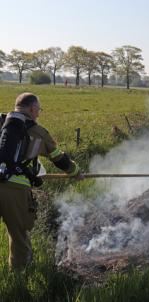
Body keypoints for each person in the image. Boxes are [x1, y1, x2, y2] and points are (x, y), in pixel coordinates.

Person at [0, 92, 81, 270]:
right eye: (38, 110)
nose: (38, 113)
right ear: (31, 109)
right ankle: (20, 279)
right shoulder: (38, 132)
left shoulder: (2, 123)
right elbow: (58, 158)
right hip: (14, 190)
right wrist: (75, 172)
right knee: (19, 236)